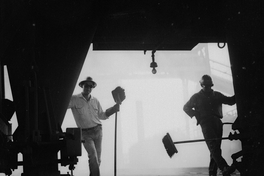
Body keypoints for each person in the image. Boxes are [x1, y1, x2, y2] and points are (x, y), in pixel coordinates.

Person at [183, 75, 236, 176]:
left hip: (217, 123)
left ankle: (212, 173)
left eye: (208, 86)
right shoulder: (196, 97)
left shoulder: (216, 95)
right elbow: (186, 107)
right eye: (205, 86)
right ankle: (224, 167)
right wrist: (196, 115)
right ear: (202, 85)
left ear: (211, 85)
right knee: (213, 147)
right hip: (206, 123)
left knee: (215, 149)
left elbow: (230, 101)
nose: (207, 88)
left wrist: (239, 94)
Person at [68, 77, 120, 176]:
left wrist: (113, 109)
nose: (88, 88)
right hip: (85, 134)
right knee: (93, 156)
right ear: (82, 86)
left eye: (90, 86)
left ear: (92, 88)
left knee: (98, 160)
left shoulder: (95, 100)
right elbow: (62, 104)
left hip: (98, 131)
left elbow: (102, 115)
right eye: (86, 85)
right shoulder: (74, 99)